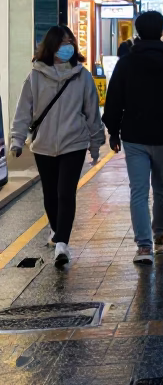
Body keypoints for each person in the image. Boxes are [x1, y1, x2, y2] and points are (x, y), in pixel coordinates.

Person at [103, 12, 163, 264]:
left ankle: (143, 247)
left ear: (138, 31)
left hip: (134, 134)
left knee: (139, 191)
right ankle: (160, 234)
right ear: (162, 31)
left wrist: (113, 131)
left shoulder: (127, 62)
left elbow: (114, 100)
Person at [8, 26, 104, 266]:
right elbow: (23, 111)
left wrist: (95, 144)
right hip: (43, 145)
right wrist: (17, 140)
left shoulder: (82, 76)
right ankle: (55, 229)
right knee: (50, 194)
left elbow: (92, 113)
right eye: (62, 42)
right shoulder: (35, 76)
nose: (67, 46)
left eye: (69, 41)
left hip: (74, 143)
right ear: (51, 46)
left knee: (65, 192)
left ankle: (62, 242)